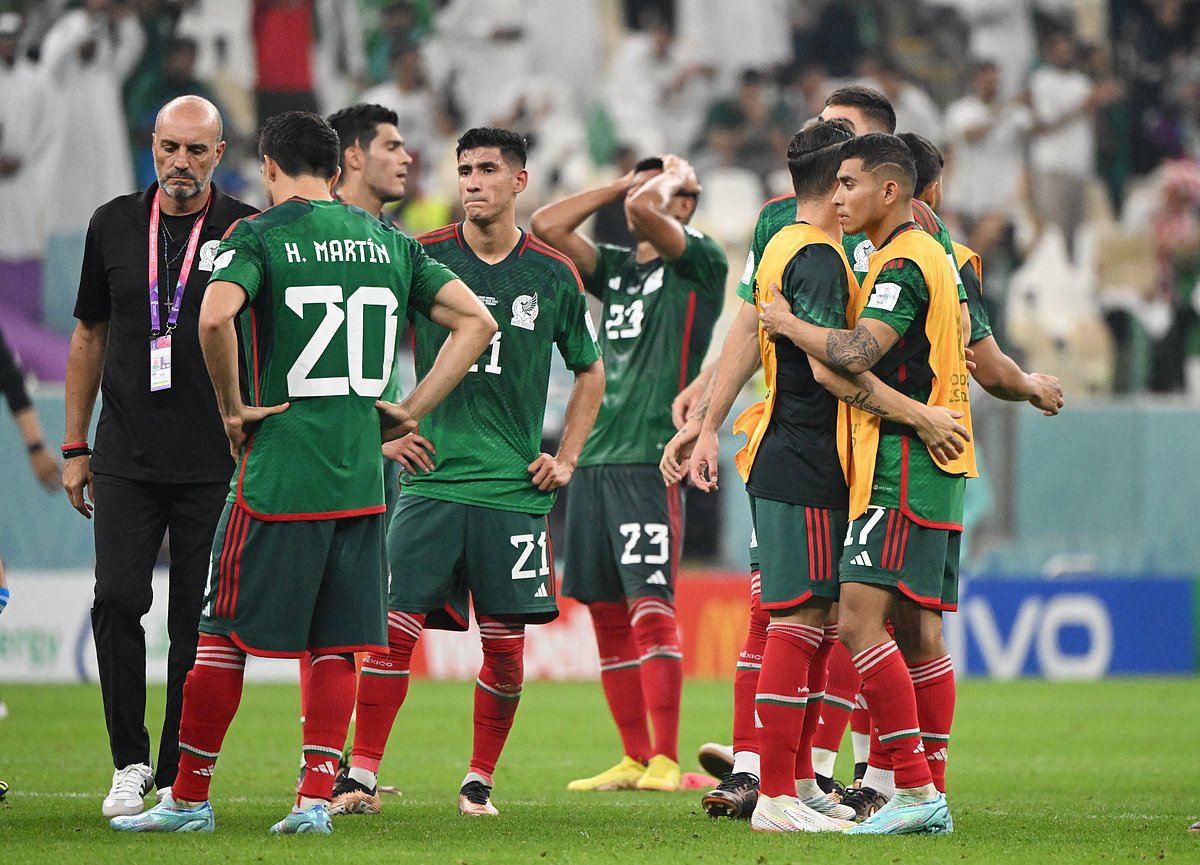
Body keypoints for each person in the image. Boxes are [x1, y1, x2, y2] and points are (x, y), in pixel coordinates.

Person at [110, 110, 496, 835]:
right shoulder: (389, 241)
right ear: (335, 164)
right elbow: (477, 321)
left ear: (270, 167)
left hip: (278, 473)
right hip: (360, 481)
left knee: (220, 636)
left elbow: (214, 318)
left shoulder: (257, 234)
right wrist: (407, 411)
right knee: (336, 643)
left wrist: (232, 410)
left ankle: (189, 796)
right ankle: (314, 800)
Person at [330, 127, 604, 818]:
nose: (472, 180)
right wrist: (383, 437)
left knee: (506, 648)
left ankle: (478, 778)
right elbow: (359, 341)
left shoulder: (551, 273)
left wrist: (566, 455)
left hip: (513, 490)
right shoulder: (420, 258)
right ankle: (360, 775)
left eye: (487, 169)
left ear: (520, 181)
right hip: (430, 479)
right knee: (393, 631)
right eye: (464, 169)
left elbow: (590, 370)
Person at [755, 132, 975, 834]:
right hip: (926, 465)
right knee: (916, 628)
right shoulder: (926, 255)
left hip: (901, 466)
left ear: (890, 190)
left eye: (850, 184)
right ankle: (924, 790)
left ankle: (911, 790)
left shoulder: (902, 261)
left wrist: (788, 323)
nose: (837, 196)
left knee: (851, 619)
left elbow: (850, 355)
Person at [62, 95, 256, 819]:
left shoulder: (245, 230)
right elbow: (88, 336)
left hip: (215, 461)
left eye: (196, 151)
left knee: (192, 625)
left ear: (219, 154)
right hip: (124, 456)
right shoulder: (112, 223)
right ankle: (128, 762)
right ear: (153, 145)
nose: (181, 163)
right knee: (116, 599)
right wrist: (76, 443)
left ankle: (176, 772)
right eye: (170, 148)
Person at [531, 155, 726, 793]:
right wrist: (618, 184)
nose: (646, 199)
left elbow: (646, 211)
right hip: (592, 456)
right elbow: (546, 226)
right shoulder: (617, 270)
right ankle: (634, 757)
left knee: (650, 604)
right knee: (604, 610)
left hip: (650, 455)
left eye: (678, 192)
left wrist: (654, 189)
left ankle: (668, 761)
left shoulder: (699, 262)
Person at [289, 102, 414, 768]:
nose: (407, 157)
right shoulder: (301, 233)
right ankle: (318, 764)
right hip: (307, 453)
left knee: (345, 619)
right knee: (309, 617)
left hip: (370, 455)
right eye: (392, 145)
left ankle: (329, 763)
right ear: (354, 156)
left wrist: (403, 414)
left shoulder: (392, 241)